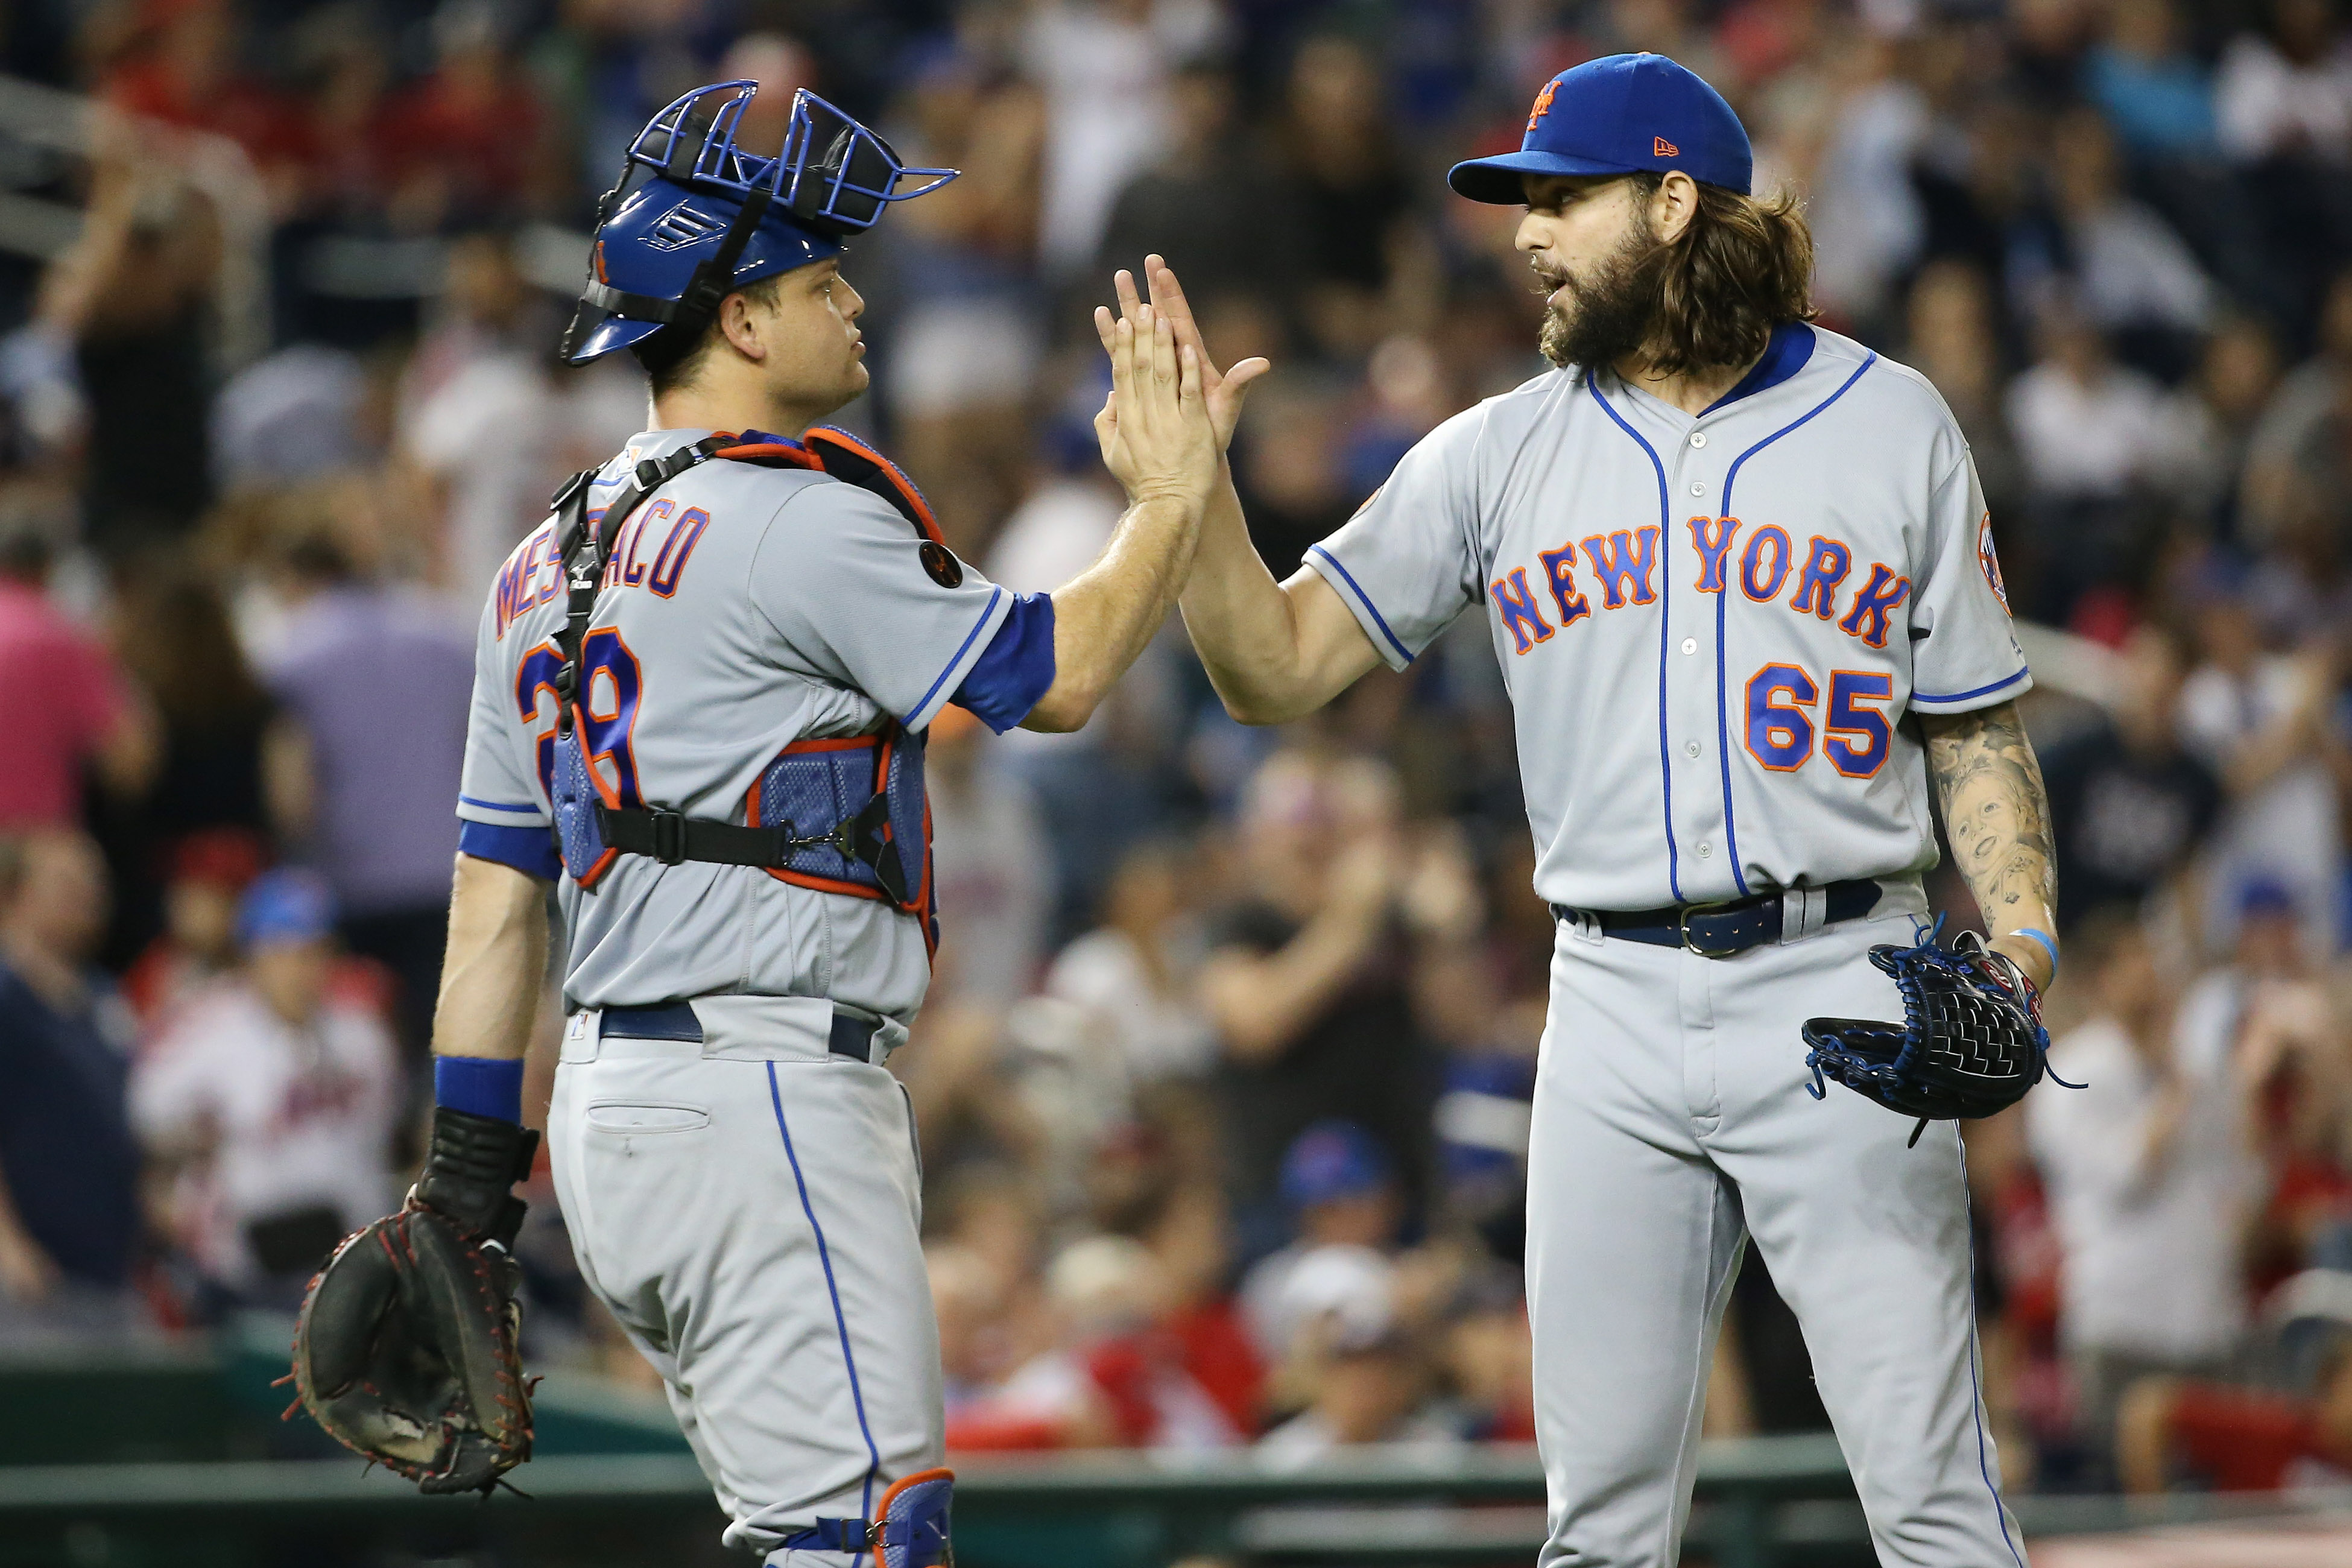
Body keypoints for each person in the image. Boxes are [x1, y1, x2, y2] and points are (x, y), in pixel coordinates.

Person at [1133, 52, 2061, 1566]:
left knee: (1934, 1500)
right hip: (1609, 1001)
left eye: (1565, 198)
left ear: (1677, 199)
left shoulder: (1893, 425)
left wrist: (2020, 948)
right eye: (1524, 203)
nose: (1527, 234)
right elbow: (1275, 668)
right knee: (1602, 1527)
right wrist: (1192, 508)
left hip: (1844, 976)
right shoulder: (1501, 446)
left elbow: (1971, 726)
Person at [389, 81, 1219, 1561]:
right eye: (820, 280)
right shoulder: (800, 514)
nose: (855, 304)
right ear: (743, 323)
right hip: (761, 1089)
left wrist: (464, 1184)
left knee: (804, 1531)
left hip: (611, 1115)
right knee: (865, 1539)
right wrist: (1167, 494)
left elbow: (495, 895)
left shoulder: (537, 556)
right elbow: (1066, 674)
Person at [132, 868, 402, 1315]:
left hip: (351, 1268)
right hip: (242, 1270)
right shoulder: (203, 1033)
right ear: (251, 956)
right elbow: (144, 1127)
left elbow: (383, 1142)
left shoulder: (364, 1037)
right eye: (284, 952)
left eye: (314, 952)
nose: (301, 969)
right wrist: (181, 1160)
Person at [0, 831, 143, 1342]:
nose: (89, 895)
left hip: (109, 1274)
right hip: (30, 1280)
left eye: (95, 881)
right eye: (67, 882)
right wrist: (6, 1243)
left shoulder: (103, 998)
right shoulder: (7, 997)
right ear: (13, 894)